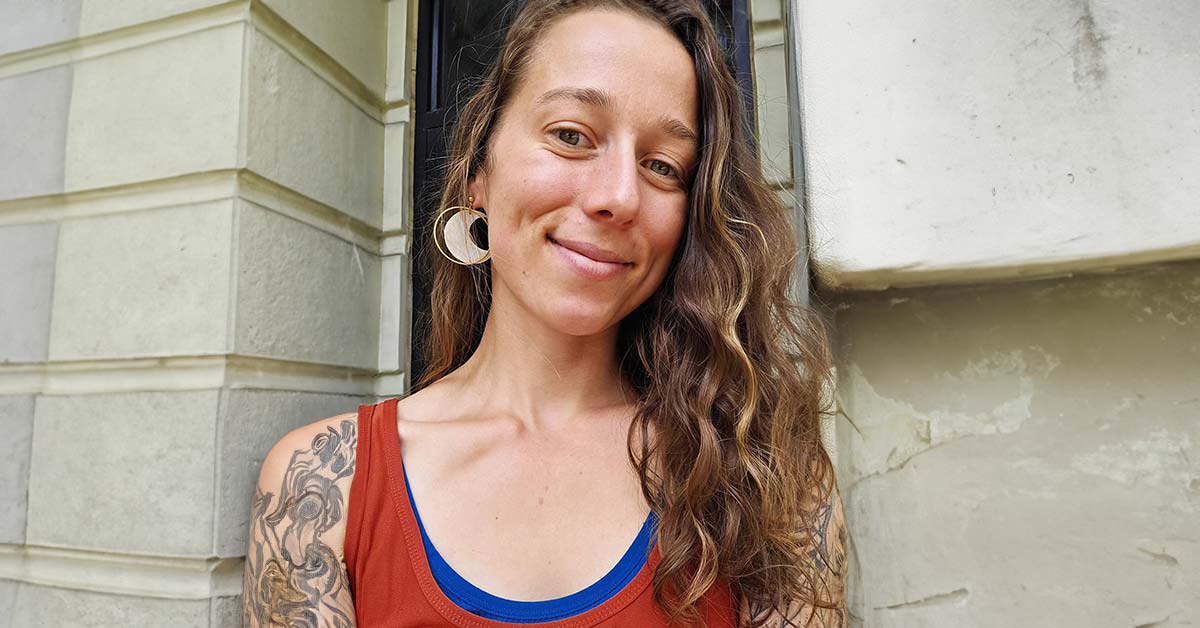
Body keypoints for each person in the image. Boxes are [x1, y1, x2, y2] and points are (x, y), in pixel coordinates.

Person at [242, 0, 847, 626]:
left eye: (664, 166)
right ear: (480, 170)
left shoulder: (769, 477)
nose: (619, 196)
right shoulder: (320, 488)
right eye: (570, 135)